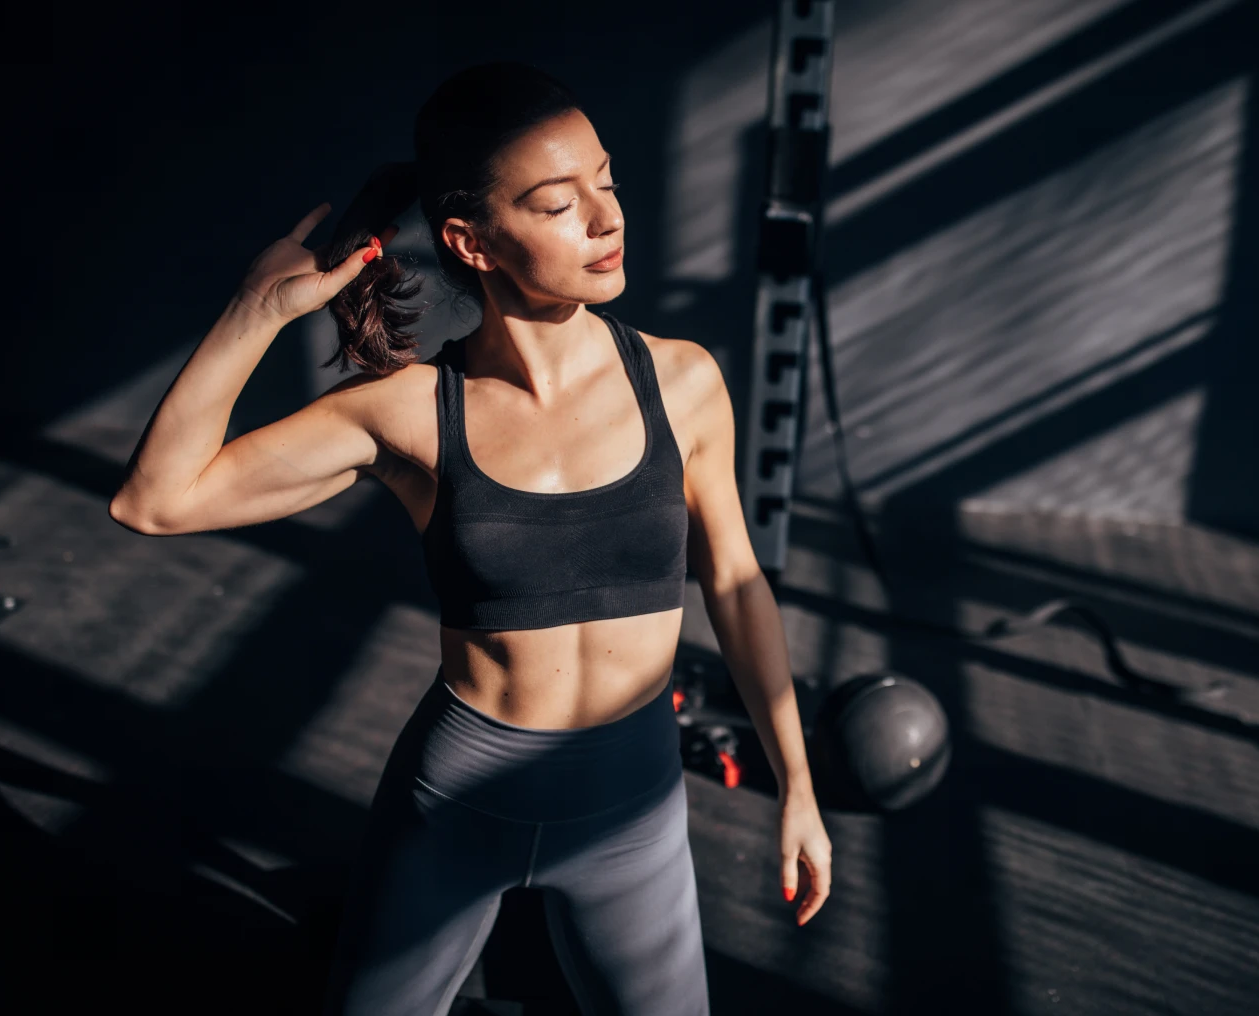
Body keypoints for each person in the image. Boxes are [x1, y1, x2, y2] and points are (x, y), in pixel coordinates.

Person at [108, 61, 831, 1016]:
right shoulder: (408, 414)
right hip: (460, 802)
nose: (608, 219)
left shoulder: (684, 381)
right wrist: (256, 313)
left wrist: (799, 785)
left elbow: (735, 582)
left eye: (607, 182)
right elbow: (154, 502)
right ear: (471, 240)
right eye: (558, 203)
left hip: (634, 812)